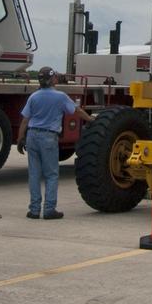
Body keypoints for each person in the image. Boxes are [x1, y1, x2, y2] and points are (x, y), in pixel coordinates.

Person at [16, 67, 92, 219]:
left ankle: (34, 209)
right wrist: (90, 120)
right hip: (48, 137)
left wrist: (20, 139)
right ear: (52, 79)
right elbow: (76, 111)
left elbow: (25, 120)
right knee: (51, 174)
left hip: (32, 135)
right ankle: (49, 209)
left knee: (34, 174)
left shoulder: (34, 97)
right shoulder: (60, 97)